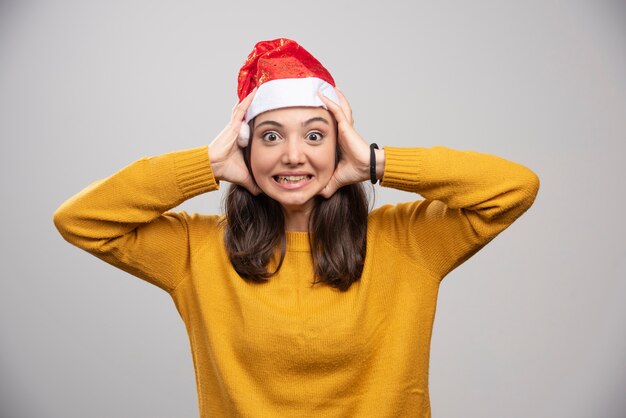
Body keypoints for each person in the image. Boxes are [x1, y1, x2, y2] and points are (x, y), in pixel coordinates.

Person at [53, 38, 540, 417]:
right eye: (270, 136)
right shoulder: (196, 250)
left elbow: (513, 186)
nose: (293, 154)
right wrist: (206, 165)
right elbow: (80, 220)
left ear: (339, 146)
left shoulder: (407, 241)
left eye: (314, 135)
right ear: (245, 148)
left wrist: (376, 163)